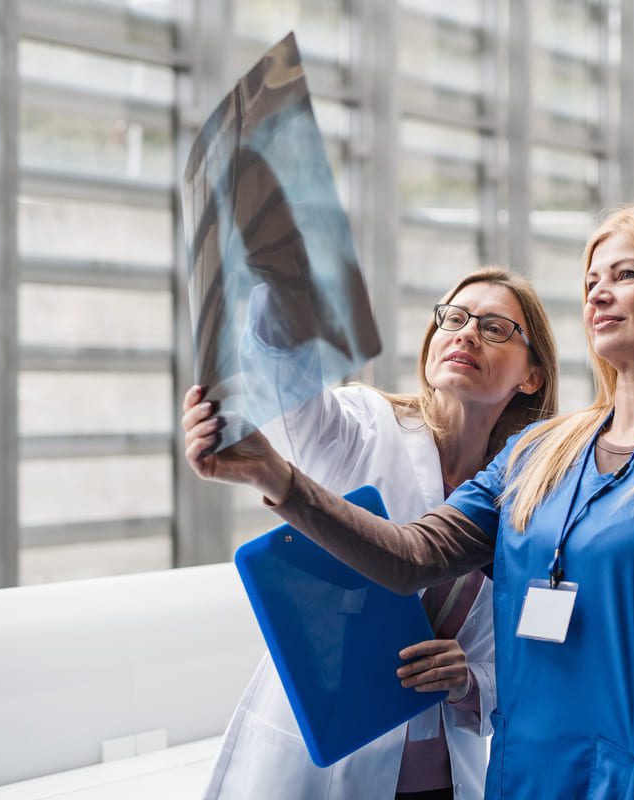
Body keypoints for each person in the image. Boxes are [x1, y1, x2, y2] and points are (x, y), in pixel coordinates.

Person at [184, 204, 634, 799]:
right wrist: (277, 477)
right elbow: (411, 558)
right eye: (591, 280)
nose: (598, 292)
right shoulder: (537, 454)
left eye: (626, 275)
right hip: (520, 783)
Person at [192, 266, 559, 800]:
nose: (465, 333)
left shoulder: (530, 497)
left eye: (494, 327)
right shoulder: (363, 425)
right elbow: (290, 397)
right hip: (324, 766)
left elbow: (535, 658)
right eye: (453, 318)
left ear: (531, 375)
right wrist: (281, 295)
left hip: (446, 776)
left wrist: (471, 678)